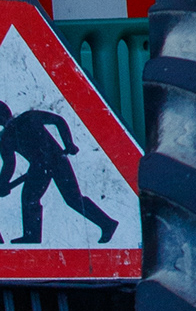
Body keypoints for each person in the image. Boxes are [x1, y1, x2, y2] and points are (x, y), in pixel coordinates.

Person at [0, 99, 117, 243]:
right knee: (29, 199)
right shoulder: (5, 138)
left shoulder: (28, 118)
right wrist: (3, 183)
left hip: (57, 160)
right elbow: (9, 163)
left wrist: (68, 143)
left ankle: (107, 224)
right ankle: (32, 236)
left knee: (73, 199)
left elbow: (58, 120)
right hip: (38, 167)